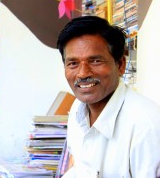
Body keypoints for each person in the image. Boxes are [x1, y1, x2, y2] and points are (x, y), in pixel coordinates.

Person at [56, 16, 160, 178]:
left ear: (120, 65)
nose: (83, 73)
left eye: (95, 61)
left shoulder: (147, 126)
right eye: (73, 63)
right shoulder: (78, 109)